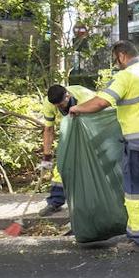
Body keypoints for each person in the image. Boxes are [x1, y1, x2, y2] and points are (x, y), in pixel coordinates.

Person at [70, 42, 139, 252]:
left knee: (136, 192)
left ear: (121, 56)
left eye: (115, 60)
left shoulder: (126, 76)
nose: (116, 64)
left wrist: (77, 108)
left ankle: (138, 240)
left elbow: (101, 102)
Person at [38, 83, 97, 217]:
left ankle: (91, 203)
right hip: (68, 133)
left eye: (61, 105)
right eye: (56, 106)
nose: (59, 108)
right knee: (61, 166)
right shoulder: (50, 103)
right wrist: (46, 156)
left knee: (88, 168)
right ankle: (55, 202)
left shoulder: (85, 97)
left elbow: (98, 116)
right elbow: (49, 129)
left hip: (90, 131)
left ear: (67, 96)